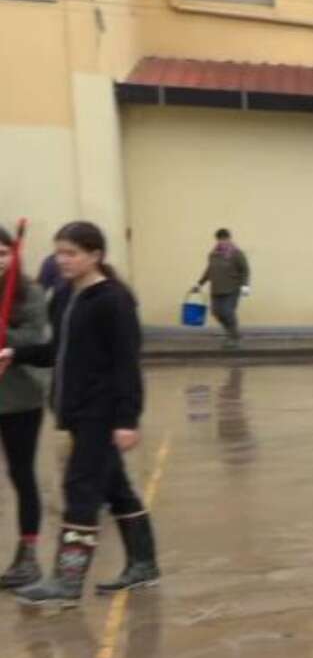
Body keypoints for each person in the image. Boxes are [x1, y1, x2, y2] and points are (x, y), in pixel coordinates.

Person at [0, 222, 156, 606]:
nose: (63, 260)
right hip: (75, 410)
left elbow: (126, 364)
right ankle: (144, 564)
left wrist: (127, 418)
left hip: (101, 413)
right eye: (59, 253)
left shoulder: (114, 300)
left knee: (80, 490)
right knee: (116, 489)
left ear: (95, 255)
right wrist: (15, 353)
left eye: (72, 253)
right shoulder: (66, 296)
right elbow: (57, 351)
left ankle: (66, 583)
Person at [0, 225, 50, 591]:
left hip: (20, 398)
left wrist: (7, 339)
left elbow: (34, 337)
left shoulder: (30, 292)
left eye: (3, 254)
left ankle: (28, 552)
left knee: (21, 473)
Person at [187, 228, 249, 351]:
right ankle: (230, 333)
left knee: (227, 312)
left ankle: (234, 338)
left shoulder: (237, 253)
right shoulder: (213, 254)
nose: (222, 242)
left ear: (229, 239)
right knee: (216, 312)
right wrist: (199, 284)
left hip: (232, 288)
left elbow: (245, 270)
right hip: (216, 289)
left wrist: (245, 286)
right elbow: (209, 270)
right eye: (220, 239)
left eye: (224, 239)